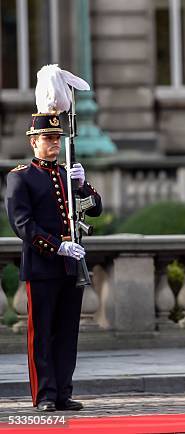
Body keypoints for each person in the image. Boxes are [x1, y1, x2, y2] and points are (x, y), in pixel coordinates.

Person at [5, 113, 103, 412]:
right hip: (43, 264)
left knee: (67, 332)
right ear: (34, 142)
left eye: (57, 138)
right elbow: (22, 223)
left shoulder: (66, 174)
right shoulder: (20, 176)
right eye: (48, 138)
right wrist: (57, 246)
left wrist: (84, 185)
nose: (54, 144)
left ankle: (63, 391)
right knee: (43, 333)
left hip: (70, 266)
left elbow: (95, 210)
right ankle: (45, 394)